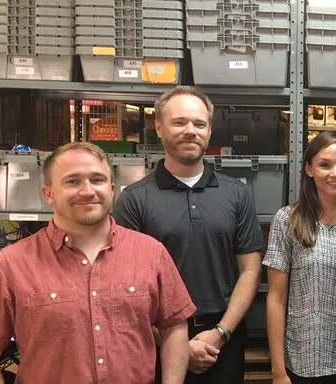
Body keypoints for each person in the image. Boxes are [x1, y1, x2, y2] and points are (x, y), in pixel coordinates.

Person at [0, 142, 196, 383]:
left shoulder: (150, 253)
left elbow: (174, 327)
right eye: (72, 181)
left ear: (112, 189)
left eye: (97, 179)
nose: (87, 191)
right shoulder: (9, 266)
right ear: (48, 194)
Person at [112, 87, 265, 383]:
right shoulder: (134, 200)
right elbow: (122, 285)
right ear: (158, 127)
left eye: (199, 123)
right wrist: (175, 342)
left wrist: (221, 332)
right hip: (157, 339)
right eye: (179, 122)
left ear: (209, 130)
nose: (190, 131)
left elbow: (249, 270)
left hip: (223, 337)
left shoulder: (236, 194)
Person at [263, 131, 336, 383]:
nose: (335, 173)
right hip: (306, 360)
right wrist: (278, 369)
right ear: (309, 169)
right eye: (325, 165)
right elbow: (276, 299)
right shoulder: (288, 220)